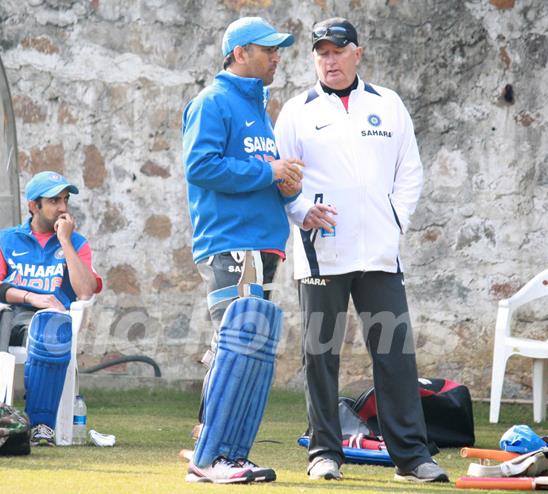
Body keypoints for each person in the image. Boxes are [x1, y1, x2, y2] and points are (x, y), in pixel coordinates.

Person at [274, 17, 449, 483]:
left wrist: (395, 220)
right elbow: (281, 175)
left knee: (394, 352)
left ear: (357, 53)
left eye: (337, 50)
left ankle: (411, 457)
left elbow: (410, 172)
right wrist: (300, 211)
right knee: (321, 352)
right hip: (321, 252)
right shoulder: (297, 110)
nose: (329, 60)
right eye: (321, 52)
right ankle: (324, 453)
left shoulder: (387, 104)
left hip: (379, 253)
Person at [181, 16, 303, 484]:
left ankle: (227, 455)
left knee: (246, 348)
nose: (276, 56)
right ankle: (210, 457)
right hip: (233, 241)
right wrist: (269, 173)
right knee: (234, 348)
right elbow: (202, 167)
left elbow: (261, 172)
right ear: (238, 53)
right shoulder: (213, 102)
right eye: (266, 49)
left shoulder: (256, 110)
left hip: (262, 243)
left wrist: (294, 201)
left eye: (277, 50)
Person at [0, 170, 102, 446]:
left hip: (49, 323)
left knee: (49, 331)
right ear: (33, 206)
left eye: (65, 200)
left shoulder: (77, 243)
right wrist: (29, 297)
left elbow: (86, 290)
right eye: (54, 201)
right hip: (5, 317)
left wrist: (65, 241)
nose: (63, 208)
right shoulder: (6, 239)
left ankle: (40, 427)